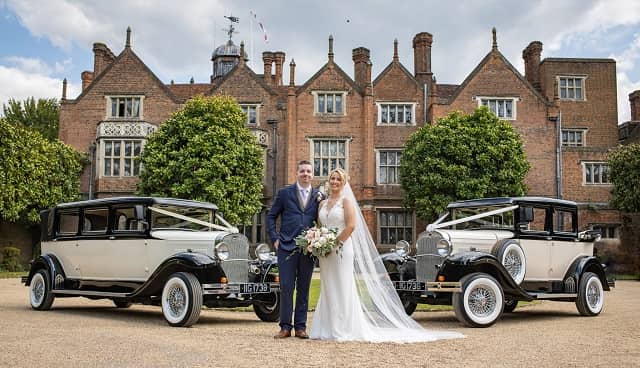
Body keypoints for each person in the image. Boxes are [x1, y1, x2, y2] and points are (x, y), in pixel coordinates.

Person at [310, 168, 464, 342]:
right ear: (328, 181)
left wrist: (334, 243)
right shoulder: (322, 204)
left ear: (344, 182)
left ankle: (343, 327)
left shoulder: (346, 202)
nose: (334, 181)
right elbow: (319, 226)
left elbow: (351, 226)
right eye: (332, 178)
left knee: (342, 286)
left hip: (342, 248)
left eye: (338, 179)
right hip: (325, 252)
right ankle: (326, 327)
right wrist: (318, 241)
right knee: (328, 286)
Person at [267, 160, 323, 339]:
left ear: (312, 175)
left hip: (308, 249)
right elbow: (271, 216)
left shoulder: (318, 196)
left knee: (304, 288)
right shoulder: (284, 193)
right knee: (286, 286)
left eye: (308, 171)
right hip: (285, 246)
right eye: (302, 171)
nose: (305, 174)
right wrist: (275, 239)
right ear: (297, 173)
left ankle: (300, 327)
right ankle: (285, 326)